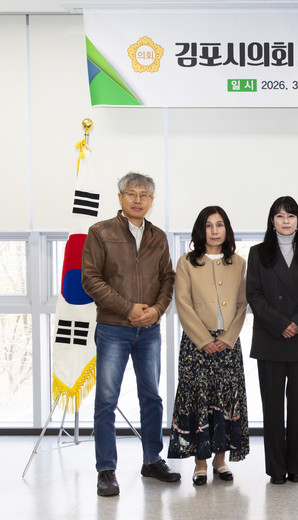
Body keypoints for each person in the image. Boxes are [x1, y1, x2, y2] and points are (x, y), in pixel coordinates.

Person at [82, 172, 179, 497]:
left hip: (149, 330)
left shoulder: (158, 236)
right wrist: (128, 309)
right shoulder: (100, 232)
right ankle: (106, 470)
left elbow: (168, 278)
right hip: (113, 328)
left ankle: (152, 460)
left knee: (151, 398)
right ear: (120, 197)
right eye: (131, 193)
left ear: (151, 201)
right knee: (106, 400)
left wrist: (156, 310)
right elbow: (91, 279)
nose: (138, 200)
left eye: (144, 195)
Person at [167, 206, 250, 485]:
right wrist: (203, 340)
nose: (215, 231)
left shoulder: (238, 263)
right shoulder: (186, 262)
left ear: (227, 229)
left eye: (220, 225)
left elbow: (242, 304)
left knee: (225, 400)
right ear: (200, 230)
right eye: (208, 225)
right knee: (198, 400)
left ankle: (220, 461)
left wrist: (227, 338)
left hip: (228, 344)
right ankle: (200, 463)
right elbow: (183, 304)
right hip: (196, 344)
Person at [246, 196, 298, 485]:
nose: (286, 221)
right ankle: (276, 469)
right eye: (280, 216)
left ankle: (296, 468)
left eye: (291, 216)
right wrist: (281, 325)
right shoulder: (257, 253)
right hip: (270, 339)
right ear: (272, 221)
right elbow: (253, 295)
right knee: (272, 408)